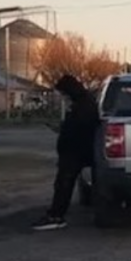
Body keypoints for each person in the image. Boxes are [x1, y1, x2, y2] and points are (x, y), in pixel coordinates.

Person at [33, 75, 100, 231]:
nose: (63, 97)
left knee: (63, 184)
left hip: (75, 152)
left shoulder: (83, 106)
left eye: (63, 93)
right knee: (65, 184)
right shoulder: (83, 103)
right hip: (75, 151)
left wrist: (65, 134)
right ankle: (56, 214)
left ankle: (56, 216)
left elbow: (80, 130)